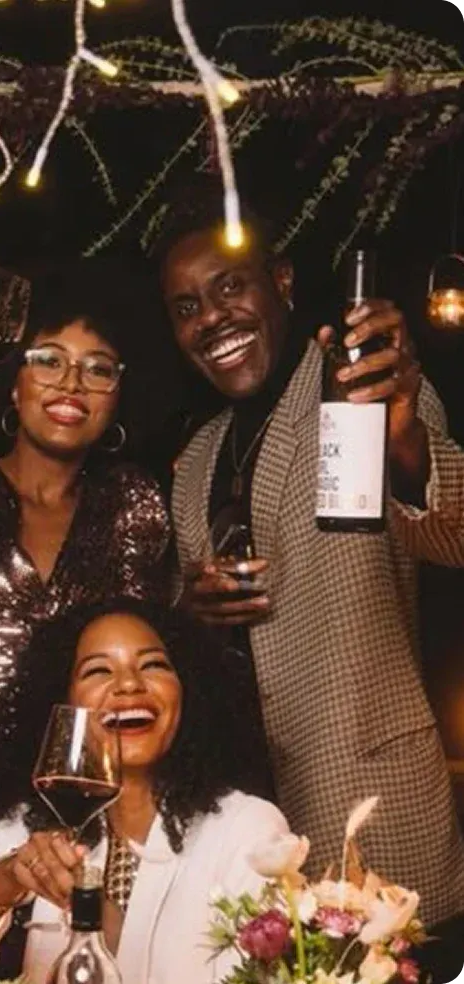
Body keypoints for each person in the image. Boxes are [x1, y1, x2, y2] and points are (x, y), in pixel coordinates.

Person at [155, 185, 464, 968]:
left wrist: (405, 443)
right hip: (245, 834)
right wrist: (192, 609)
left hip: (372, 804)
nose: (211, 317)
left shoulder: (359, 390)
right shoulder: (194, 461)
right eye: (187, 307)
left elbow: (450, 535)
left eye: (230, 286)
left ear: (282, 283)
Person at [0, 258, 175, 834]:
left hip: (96, 807)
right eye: (48, 360)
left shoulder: (135, 503)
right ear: (13, 385)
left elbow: (159, 638)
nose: (71, 383)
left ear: (118, 396)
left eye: (98, 369)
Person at [0, 598, 283, 984]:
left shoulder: (247, 828)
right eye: (98, 670)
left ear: (189, 691)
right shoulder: (37, 821)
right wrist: (4, 880)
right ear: (63, 703)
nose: (129, 684)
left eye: (153, 665)